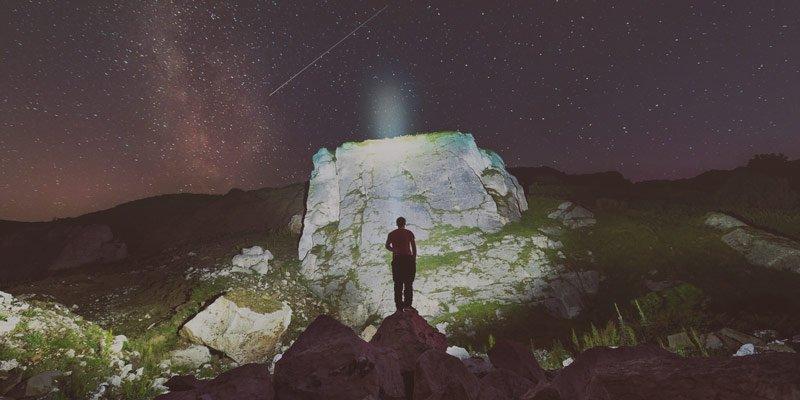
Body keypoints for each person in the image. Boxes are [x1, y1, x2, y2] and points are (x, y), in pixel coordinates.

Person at [385, 216, 416, 312]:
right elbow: (414, 247)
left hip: (397, 259)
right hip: (408, 259)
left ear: (397, 224)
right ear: (404, 223)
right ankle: (407, 305)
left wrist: (394, 250)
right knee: (408, 283)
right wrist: (413, 259)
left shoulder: (391, 234)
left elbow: (387, 246)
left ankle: (399, 307)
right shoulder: (409, 233)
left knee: (398, 283)